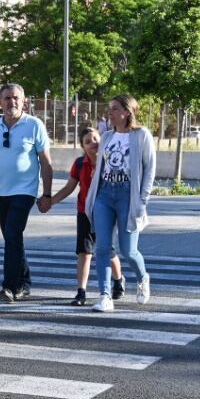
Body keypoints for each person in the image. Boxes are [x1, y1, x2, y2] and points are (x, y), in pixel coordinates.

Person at [0, 83, 54, 303]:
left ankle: (9, 286)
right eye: (7, 98)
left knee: (13, 234)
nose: (11, 102)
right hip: (0, 192)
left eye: (15, 97)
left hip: (25, 191)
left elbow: (46, 162)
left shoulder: (34, 125)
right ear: (0, 102)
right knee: (12, 237)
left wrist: (47, 194)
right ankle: (24, 283)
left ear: (24, 100)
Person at [81, 94, 156, 310]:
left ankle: (142, 278)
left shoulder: (141, 135)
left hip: (128, 196)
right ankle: (105, 295)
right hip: (104, 194)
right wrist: (92, 197)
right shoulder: (107, 136)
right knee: (102, 247)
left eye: (114, 109)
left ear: (126, 112)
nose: (110, 113)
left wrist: (143, 200)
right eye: (110, 109)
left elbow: (149, 169)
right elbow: (100, 169)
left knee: (128, 251)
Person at [47, 127, 124, 306]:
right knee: (84, 252)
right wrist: (51, 201)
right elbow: (69, 187)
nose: (93, 144)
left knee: (107, 250)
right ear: (82, 146)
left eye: (95, 139)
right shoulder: (80, 164)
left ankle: (118, 280)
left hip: (106, 212)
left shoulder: (111, 161)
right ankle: (81, 292)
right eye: (87, 142)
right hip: (85, 212)